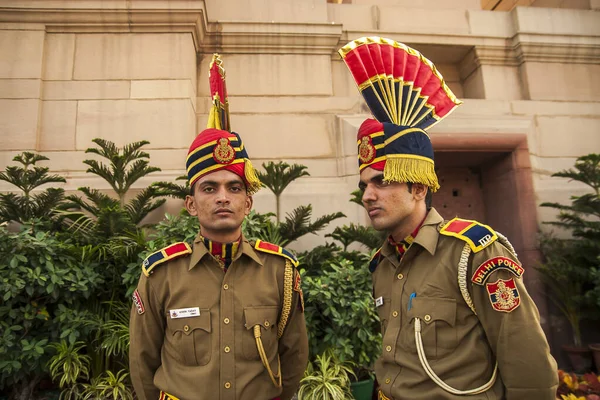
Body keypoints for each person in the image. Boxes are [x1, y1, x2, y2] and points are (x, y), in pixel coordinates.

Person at [338, 37, 558, 400]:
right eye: (364, 185)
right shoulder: (382, 264)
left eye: (382, 181)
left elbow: (528, 364)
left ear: (419, 188)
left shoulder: (473, 253)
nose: (367, 195)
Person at [129, 54, 308, 400]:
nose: (223, 197)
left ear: (248, 202)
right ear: (192, 204)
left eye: (234, 187)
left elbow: (294, 356)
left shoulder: (279, 272)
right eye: (209, 188)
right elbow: (142, 361)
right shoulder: (161, 274)